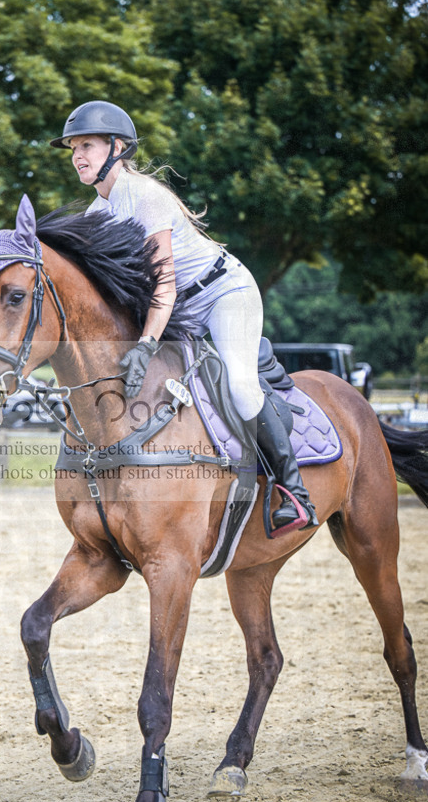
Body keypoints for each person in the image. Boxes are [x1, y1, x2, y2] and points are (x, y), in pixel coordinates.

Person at [50, 99, 317, 532]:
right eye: (73, 148)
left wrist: (146, 344)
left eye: (88, 145)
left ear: (117, 147)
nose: (77, 156)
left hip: (222, 293)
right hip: (177, 307)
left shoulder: (147, 197)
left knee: (241, 385)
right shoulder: (96, 215)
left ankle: (294, 492)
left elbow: (165, 284)